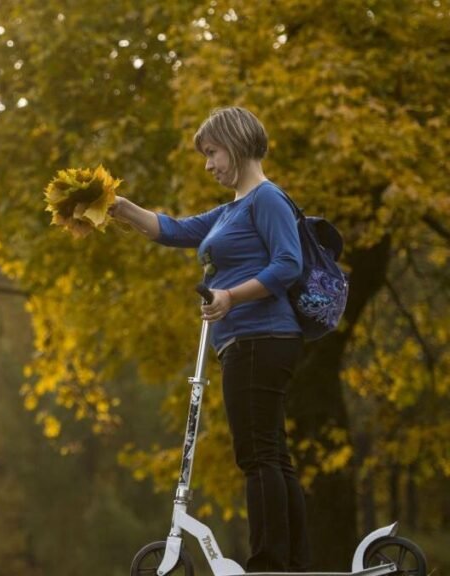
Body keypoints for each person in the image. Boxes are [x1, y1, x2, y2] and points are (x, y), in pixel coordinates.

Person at [109, 106, 309, 571]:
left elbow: (288, 264)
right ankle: (294, 561)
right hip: (245, 342)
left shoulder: (267, 200)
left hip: (264, 337)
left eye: (213, 152)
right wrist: (119, 207)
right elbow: (173, 230)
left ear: (236, 146)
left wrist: (230, 297)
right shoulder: (229, 211)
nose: (208, 164)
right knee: (272, 454)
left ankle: (269, 563)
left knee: (257, 455)